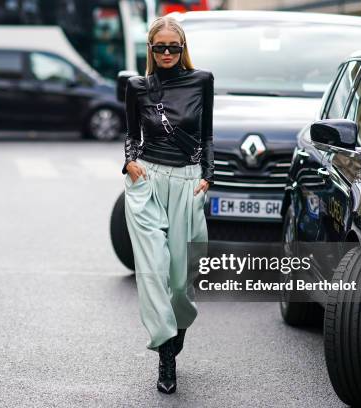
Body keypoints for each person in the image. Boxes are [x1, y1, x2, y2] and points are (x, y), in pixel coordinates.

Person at [121, 16, 214, 394]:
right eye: (159, 47)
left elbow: (206, 133)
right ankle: (165, 355)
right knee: (153, 271)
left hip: (188, 182)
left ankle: (178, 327)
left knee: (180, 279)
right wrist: (129, 162)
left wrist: (209, 174)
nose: (166, 54)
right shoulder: (137, 87)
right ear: (150, 49)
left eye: (173, 47)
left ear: (183, 48)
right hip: (148, 180)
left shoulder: (202, 81)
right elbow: (131, 132)